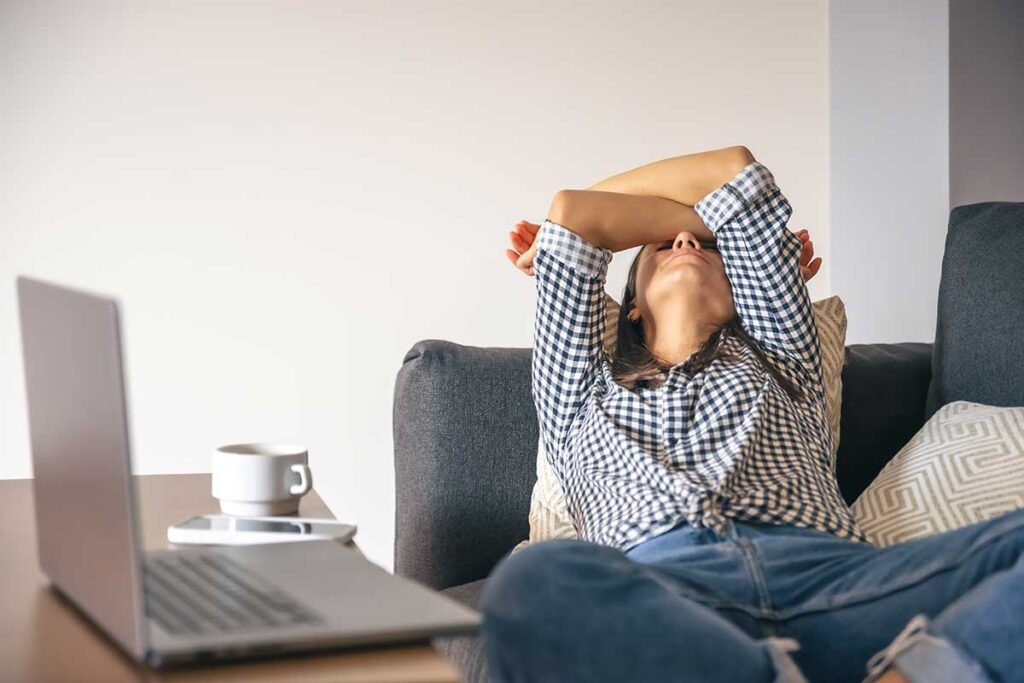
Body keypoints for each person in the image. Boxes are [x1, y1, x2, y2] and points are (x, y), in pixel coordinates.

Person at [486, 145, 1024, 683]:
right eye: (658, 245)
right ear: (631, 305)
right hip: (671, 599)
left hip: (837, 584)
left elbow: (733, 168)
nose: (687, 240)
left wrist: (735, 239)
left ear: (746, 291)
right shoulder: (578, 390)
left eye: (715, 246)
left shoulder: (781, 352)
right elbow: (573, 215)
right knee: (532, 577)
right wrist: (714, 221)